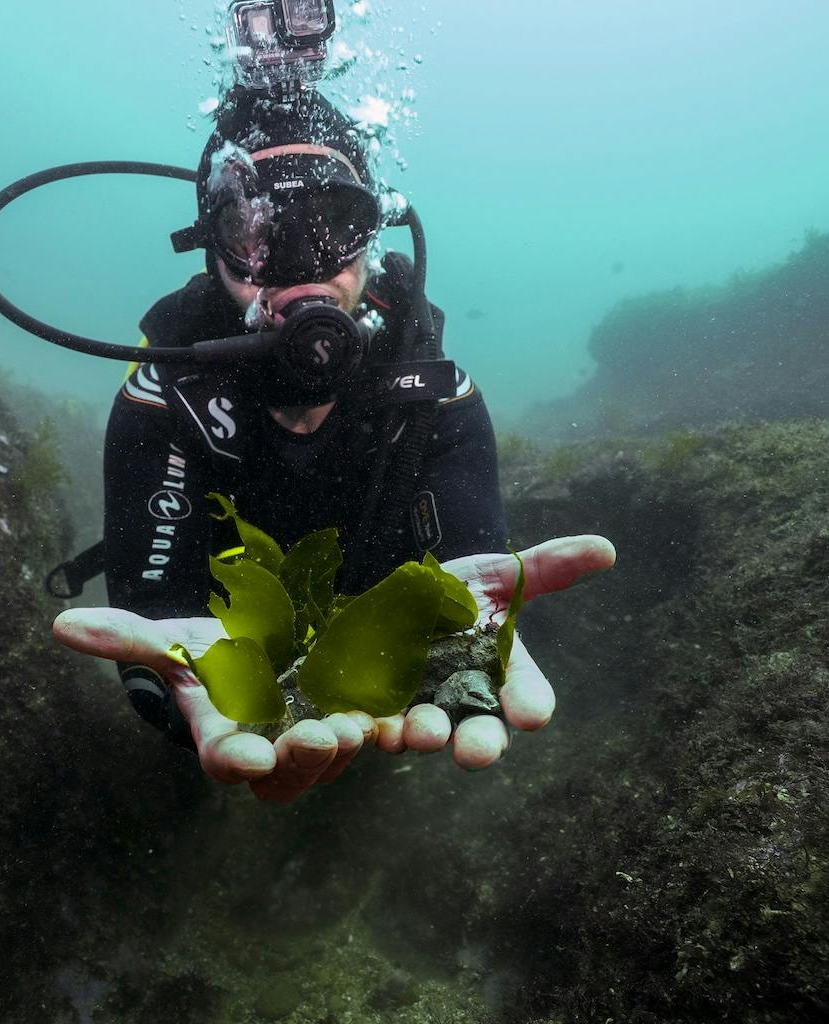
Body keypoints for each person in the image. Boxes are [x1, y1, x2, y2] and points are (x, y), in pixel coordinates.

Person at [53, 87, 616, 804]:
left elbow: (467, 567)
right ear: (210, 248)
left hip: (382, 669)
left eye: (334, 224)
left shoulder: (429, 389)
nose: (298, 264)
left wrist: (465, 638)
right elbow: (152, 620)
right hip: (243, 678)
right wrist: (177, 690)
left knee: (364, 776)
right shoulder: (169, 387)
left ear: (374, 234)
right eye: (254, 229)